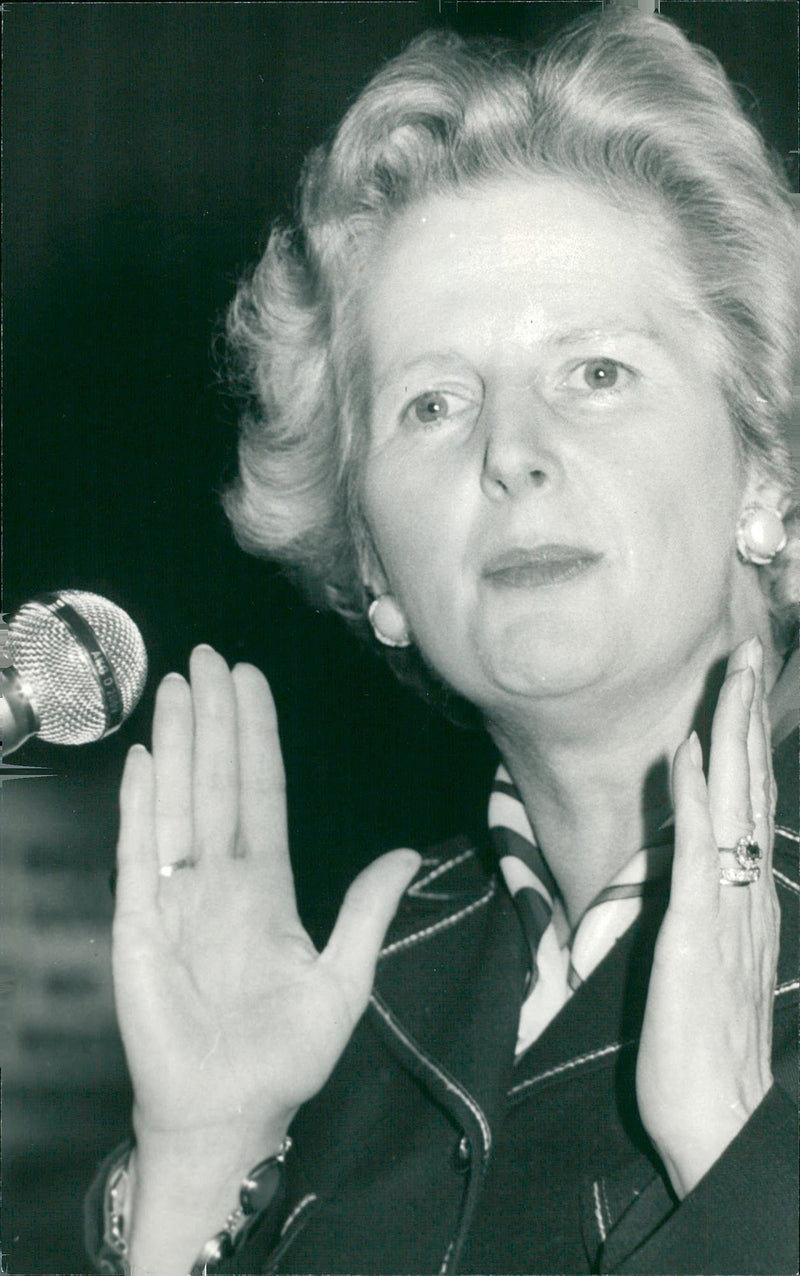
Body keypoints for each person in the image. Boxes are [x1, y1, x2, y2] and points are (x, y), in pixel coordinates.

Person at [86, 10, 799, 1274]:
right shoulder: (349, 1012)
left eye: (593, 373)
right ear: (372, 561)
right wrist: (202, 1161)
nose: (507, 450)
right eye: (432, 402)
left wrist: (737, 1163)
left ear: (765, 464)